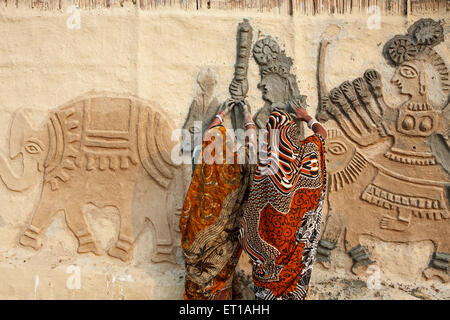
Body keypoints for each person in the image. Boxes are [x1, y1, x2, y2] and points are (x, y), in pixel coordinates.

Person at [240, 99, 327, 300]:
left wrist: (247, 117)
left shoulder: (263, 161)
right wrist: (306, 117)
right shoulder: (308, 154)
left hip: (267, 260)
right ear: (292, 133)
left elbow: (251, 139)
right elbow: (321, 135)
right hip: (295, 257)